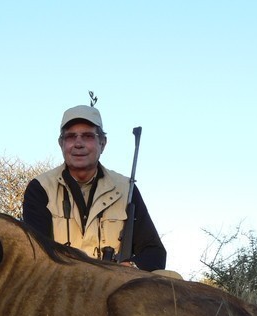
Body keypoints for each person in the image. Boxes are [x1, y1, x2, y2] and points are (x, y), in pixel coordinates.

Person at [22, 105, 166, 272]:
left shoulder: (127, 189)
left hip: (114, 289)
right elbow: (35, 255)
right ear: (61, 144)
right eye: (70, 137)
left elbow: (155, 254)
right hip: (60, 286)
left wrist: (129, 268)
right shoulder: (40, 188)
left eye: (88, 136)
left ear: (102, 143)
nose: (78, 144)